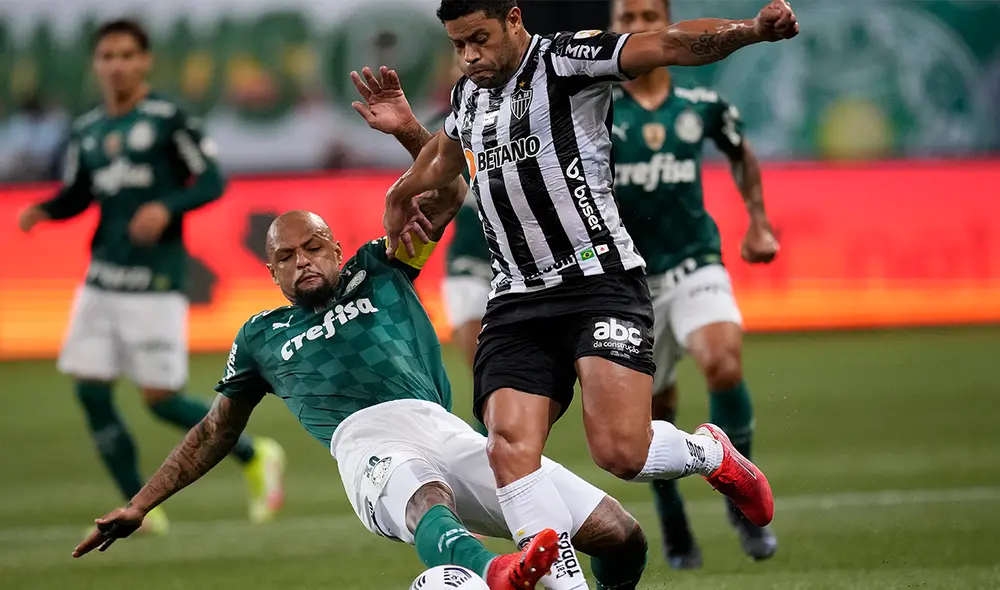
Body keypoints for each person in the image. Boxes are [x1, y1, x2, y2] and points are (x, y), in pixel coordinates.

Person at [381, 1, 798, 587]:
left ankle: (712, 454)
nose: (470, 55)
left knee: (621, 454)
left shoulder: (567, 59)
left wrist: (751, 31)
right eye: (458, 45)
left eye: (480, 38)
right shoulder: (471, 95)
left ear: (515, 20)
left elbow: (670, 44)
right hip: (517, 298)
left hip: (599, 282)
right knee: (508, 448)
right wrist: (405, 189)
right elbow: (446, 155)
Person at [71, 205, 649, 590]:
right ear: (271, 271)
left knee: (619, 535)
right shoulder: (259, 337)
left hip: (447, 430)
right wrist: (141, 503)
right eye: (286, 257)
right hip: (365, 444)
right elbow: (215, 430)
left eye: (313, 246)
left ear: (336, 247)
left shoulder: (382, 267)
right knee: (425, 494)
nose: (303, 261)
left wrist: (403, 130)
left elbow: (451, 190)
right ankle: (497, 574)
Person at [16, 19, 285, 534]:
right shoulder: (89, 128)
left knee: (160, 399)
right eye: (107, 56)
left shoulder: (167, 119)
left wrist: (167, 205)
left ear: (144, 61)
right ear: (96, 64)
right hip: (100, 280)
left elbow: (211, 179)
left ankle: (255, 453)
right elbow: (79, 192)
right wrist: (46, 211)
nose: (116, 65)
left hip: (155, 281)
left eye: (125, 55)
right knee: (91, 391)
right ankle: (138, 506)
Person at [610, 0, 780, 567]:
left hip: (695, 263)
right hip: (630, 283)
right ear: (613, 29)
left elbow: (741, 151)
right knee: (653, 414)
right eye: (625, 18)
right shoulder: (592, 108)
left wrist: (757, 220)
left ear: (666, 23)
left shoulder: (702, 103)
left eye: (646, 16)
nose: (636, 27)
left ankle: (739, 490)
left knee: (723, 361)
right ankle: (673, 517)